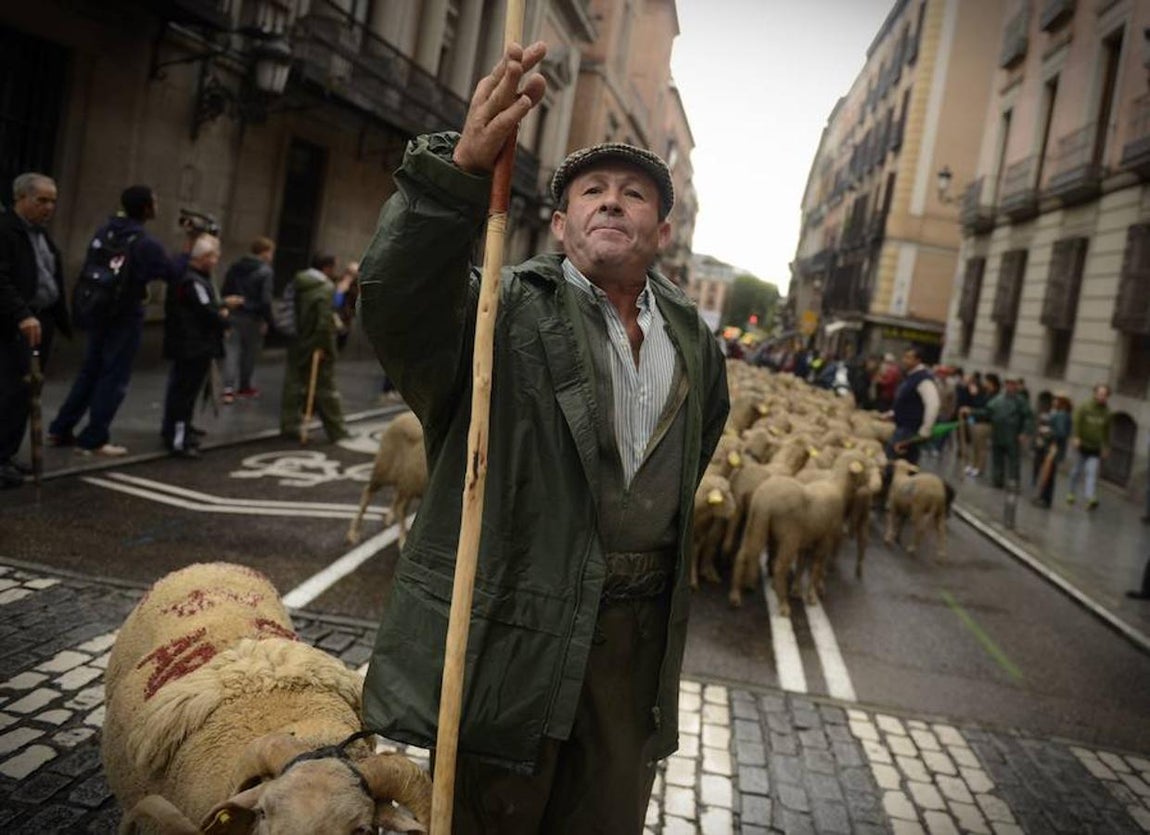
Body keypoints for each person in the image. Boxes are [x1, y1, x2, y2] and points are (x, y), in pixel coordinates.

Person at [357, 41, 728, 833]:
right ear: (559, 224)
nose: (612, 202)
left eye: (634, 194)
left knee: (605, 819)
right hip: (517, 632)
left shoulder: (697, 341)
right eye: (591, 190)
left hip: (635, 643)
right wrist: (451, 178)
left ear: (660, 229)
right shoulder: (505, 310)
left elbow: (691, 457)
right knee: (491, 817)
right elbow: (398, 302)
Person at [48, 185, 173, 456]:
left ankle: (60, 428)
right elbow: (171, 272)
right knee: (113, 376)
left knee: (89, 370)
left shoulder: (105, 231)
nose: (157, 205)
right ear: (146, 208)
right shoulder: (145, 243)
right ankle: (94, 437)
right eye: (154, 201)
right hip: (125, 315)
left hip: (97, 310)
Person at [0, 173, 71, 488]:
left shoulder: (42, 236)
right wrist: (22, 314)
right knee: (10, 391)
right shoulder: (6, 231)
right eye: (41, 200)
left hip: (42, 322)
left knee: (28, 392)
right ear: (20, 198)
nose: (49, 207)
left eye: (53, 201)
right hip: (16, 325)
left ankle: (7, 454)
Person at [161, 235, 235, 458]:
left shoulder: (192, 279)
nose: (216, 260)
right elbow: (206, 311)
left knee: (185, 392)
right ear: (203, 258)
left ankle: (180, 429)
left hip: (192, 344)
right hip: (193, 345)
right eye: (214, 256)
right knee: (184, 393)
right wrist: (223, 317)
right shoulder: (193, 281)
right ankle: (178, 439)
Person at [279, 252, 348, 443]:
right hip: (317, 344)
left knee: (294, 383)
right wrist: (326, 347)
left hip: (297, 340)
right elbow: (324, 322)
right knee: (325, 387)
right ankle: (337, 431)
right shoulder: (325, 288)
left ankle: (290, 425)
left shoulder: (298, 281)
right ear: (327, 267)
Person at [220, 236, 275, 402]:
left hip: (234, 313)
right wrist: (268, 320)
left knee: (231, 351)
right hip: (253, 317)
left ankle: (227, 388)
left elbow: (225, 288)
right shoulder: (266, 271)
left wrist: (225, 306)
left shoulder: (235, 266)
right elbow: (265, 300)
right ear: (265, 252)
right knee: (249, 353)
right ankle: (244, 386)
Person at [976, 375, 1034, 490]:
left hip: (1012, 435)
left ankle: (1013, 480)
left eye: (1012, 384)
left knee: (1013, 459)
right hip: (998, 433)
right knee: (997, 458)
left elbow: (1028, 417)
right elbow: (987, 412)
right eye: (1008, 384)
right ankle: (997, 479)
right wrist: (972, 412)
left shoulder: (1021, 401)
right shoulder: (998, 399)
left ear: (1016, 386)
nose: (1010, 386)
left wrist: (1025, 432)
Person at [887, 345, 939, 465]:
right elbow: (906, 400)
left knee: (896, 462)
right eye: (904, 357)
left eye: (908, 358)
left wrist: (926, 429)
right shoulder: (910, 377)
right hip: (902, 426)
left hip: (910, 430)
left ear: (918, 360)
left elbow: (933, 404)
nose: (904, 360)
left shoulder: (923, 379)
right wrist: (893, 413)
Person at [1066, 383, 1112, 510]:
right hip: (1082, 445)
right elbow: (1077, 422)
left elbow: (1107, 431)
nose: (1102, 397)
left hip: (1095, 448)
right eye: (1100, 394)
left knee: (1091, 472)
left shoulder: (1107, 412)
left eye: (1105, 395)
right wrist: (1076, 436)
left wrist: (1106, 446)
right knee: (1076, 471)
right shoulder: (1085, 407)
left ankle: (1090, 498)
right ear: (1095, 394)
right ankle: (1071, 492)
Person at [1032, 391, 1072, 508]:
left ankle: (1044, 498)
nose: (1054, 401)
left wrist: (1047, 431)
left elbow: (1060, 433)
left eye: (1057, 399)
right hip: (1052, 448)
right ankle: (1043, 497)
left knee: (1048, 474)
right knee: (1048, 473)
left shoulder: (1062, 415)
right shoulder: (1060, 414)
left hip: (1053, 448)